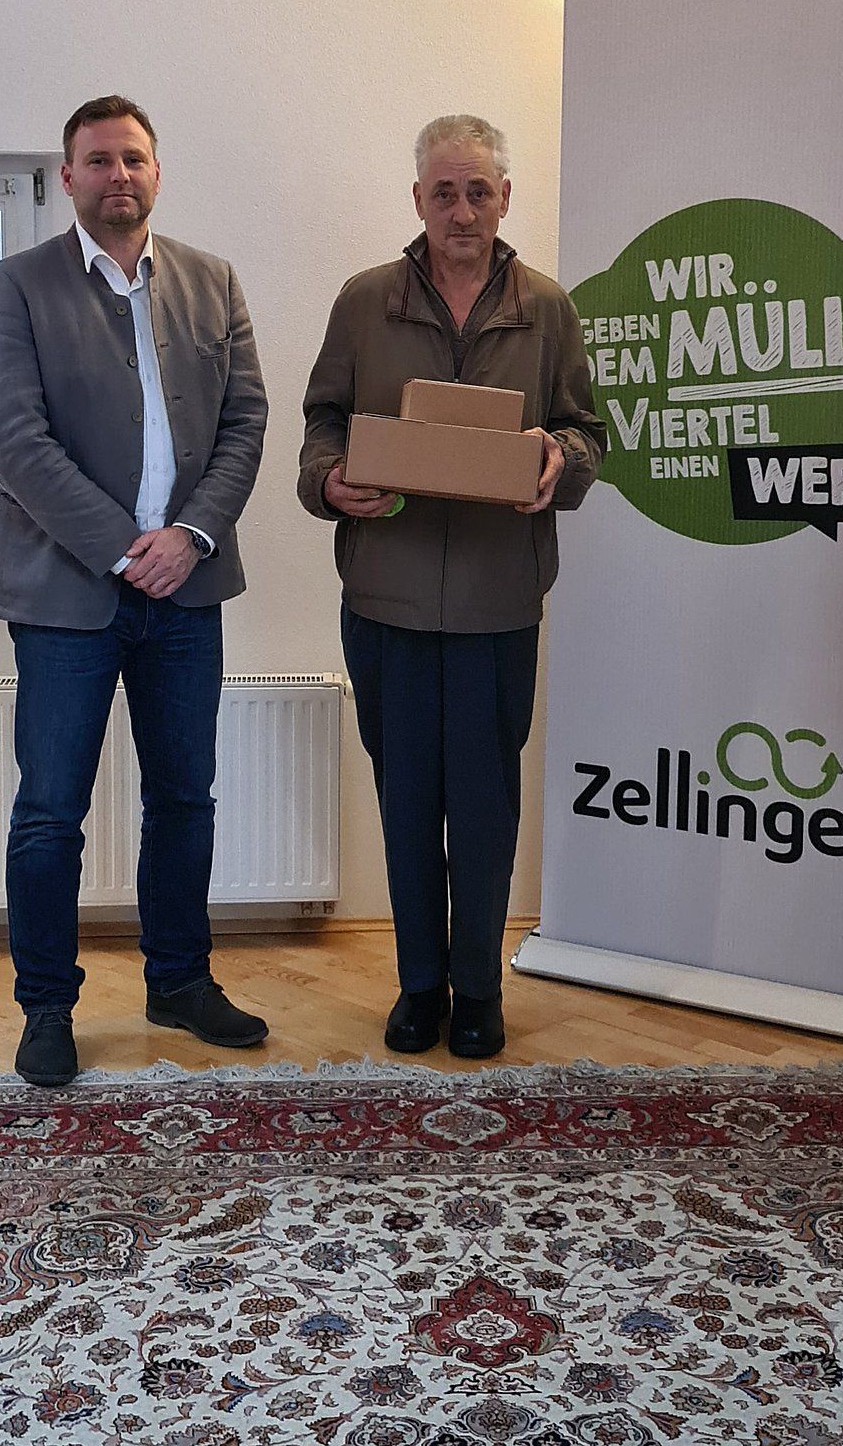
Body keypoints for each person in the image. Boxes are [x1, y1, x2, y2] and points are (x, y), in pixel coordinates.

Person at [0, 94, 269, 1088]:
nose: (117, 176)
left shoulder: (211, 282)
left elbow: (245, 423)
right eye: (96, 161)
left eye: (132, 158)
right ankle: (46, 1006)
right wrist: (123, 549)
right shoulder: (13, 288)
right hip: (66, 596)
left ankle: (179, 983)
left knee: (186, 798)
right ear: (68, 177)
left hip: (187, 590)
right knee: (51, 811)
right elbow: (15, 443)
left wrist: (187, 537)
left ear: (156, 168)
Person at [298, 114, 605, 1058]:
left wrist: (559, 461)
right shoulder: (363, 302)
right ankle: (418, 985)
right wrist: (329, 482)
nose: (462, 208)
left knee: (482, 806)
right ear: (418, 200)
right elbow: (319, 429)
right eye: (444, 191)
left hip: (496, 602)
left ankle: (478, 989)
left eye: (479, 190)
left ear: (505, 197)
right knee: (404, 801)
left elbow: (587, 433)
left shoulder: (547, 307)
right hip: (384, 599)